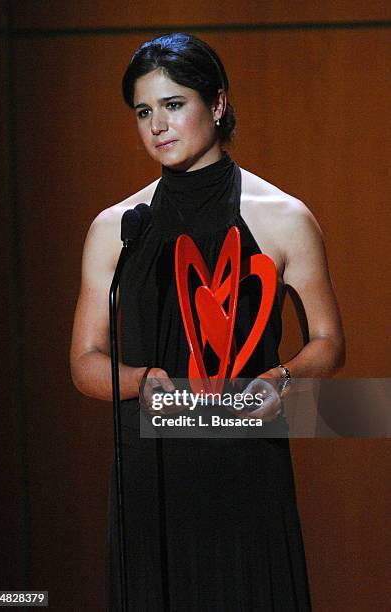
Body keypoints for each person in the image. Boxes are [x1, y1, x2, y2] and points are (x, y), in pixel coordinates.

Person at [70, 33, 345, 611]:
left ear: (217, 104)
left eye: (174, 105)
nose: (157, 126)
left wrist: (283, 379)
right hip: (150, 481)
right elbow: (85, 362)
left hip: (247, 471)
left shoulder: (284, 219)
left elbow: (328, 343)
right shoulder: (118, 226)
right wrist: (142, 381)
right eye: (144, 111)